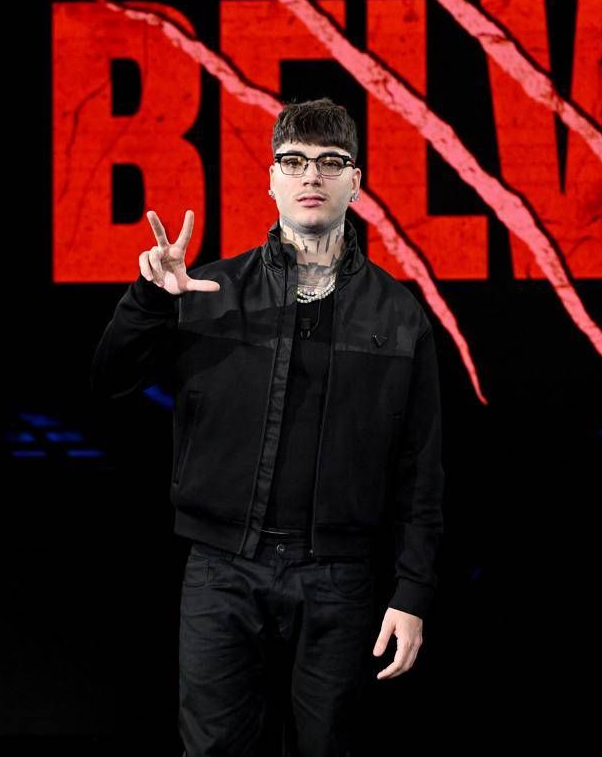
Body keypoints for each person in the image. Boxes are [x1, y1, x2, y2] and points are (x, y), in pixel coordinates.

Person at [90, 97, 444, 756]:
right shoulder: (210, 292)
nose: (311, 175)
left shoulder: (398, 315)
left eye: (330, 161)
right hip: (223, 571)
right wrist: (149, 299)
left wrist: (413, 591)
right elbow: (109, 381)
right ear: (271, 180)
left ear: (356, 182)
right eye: (294, 161)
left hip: (338, 577)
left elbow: (419, 467)